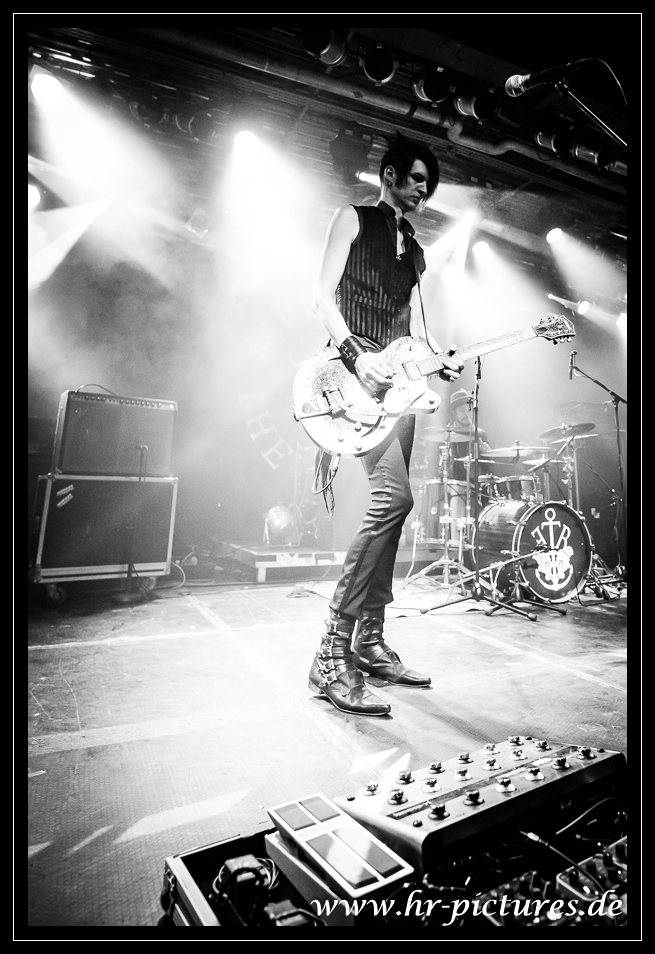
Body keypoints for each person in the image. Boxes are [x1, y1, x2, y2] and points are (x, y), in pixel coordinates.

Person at [307, 132, 463, 717]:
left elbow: (414, 329)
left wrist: (436, 358)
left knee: (398, 510)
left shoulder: (417, 252)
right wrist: (354, 353)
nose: (423, 190)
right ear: (390, 175)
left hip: (398, 391)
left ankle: (369, 641)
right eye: (417, 179)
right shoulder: (352, 218)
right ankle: (331, 651)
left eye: (429, 184)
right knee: (393, 499)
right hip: (352, 381)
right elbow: (321, 296)